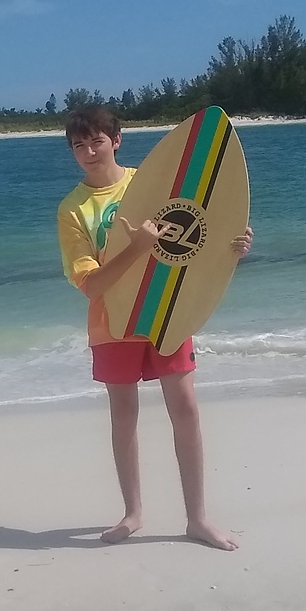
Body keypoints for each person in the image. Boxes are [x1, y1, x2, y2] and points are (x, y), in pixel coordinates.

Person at [56, 105, 252, 549]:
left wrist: (232, 245)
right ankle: (133, 513)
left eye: (96, 141)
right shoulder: (74, 210)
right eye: (78, 145)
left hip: (170, 311)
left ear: (116, 139)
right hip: (114, 323)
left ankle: (197, 519)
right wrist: (138, 246)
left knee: (185, 409)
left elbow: (197, 232)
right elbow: (92, 285)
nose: (89, 151)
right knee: (124, 416)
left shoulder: (151, 181)